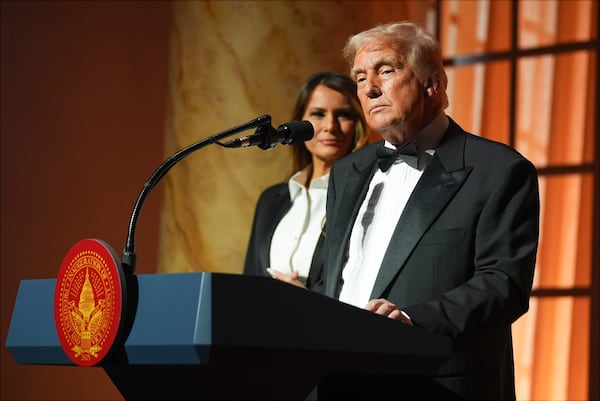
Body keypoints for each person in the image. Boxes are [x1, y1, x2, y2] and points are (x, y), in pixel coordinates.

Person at [270, 22, 540, 400]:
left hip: (434, 385)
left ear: (433, 84)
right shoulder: (349, 170)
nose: (369, 88)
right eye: (360, 77)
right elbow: (329, 278)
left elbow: (503, 285)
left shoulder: (498, 169)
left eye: (385, 70)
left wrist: (412, 321)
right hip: (336, 383)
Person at [243, 71, 369, 290]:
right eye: (318, 114)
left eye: (343, 115)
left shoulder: (364, 197)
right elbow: (249, 280)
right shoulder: (271, 199)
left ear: (357, 124)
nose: (330, 125)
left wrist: (307, 301)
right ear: (299, 123)